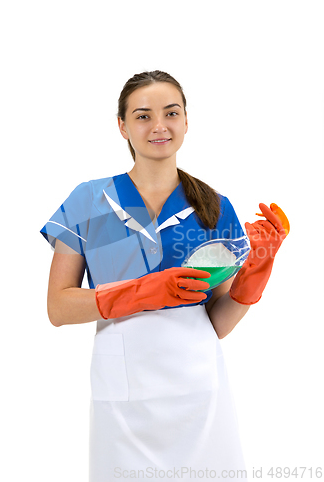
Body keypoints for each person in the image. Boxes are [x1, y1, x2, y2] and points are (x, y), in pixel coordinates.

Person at [40, 70, 289, 482]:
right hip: (123, 393)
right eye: (142, 115)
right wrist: (142, 290)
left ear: (186, 121)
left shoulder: (214, 207)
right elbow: (58, 307)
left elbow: (217, 321)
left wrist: (256, 274)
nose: (159, 125)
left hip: (199, 391)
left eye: (171, 113)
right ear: (122, 126)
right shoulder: (90, 201)